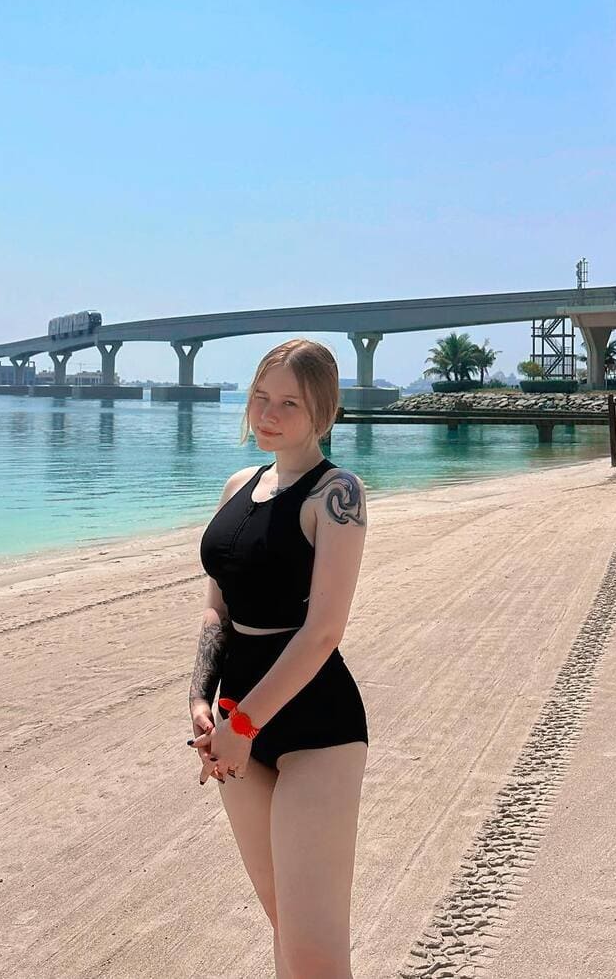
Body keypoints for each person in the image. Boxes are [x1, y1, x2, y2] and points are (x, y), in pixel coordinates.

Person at [188, 338, 369, 979]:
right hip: (235, 718)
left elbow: (322, 632)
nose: (267, 414)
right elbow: (217, 610)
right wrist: (200, 700)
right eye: (261, 396)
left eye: (289, 403)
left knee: (316, 951)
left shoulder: (337, 494)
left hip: (315, 725)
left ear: (324, 411)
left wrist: (243, 725)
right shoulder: (239, 485)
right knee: (286, 929)